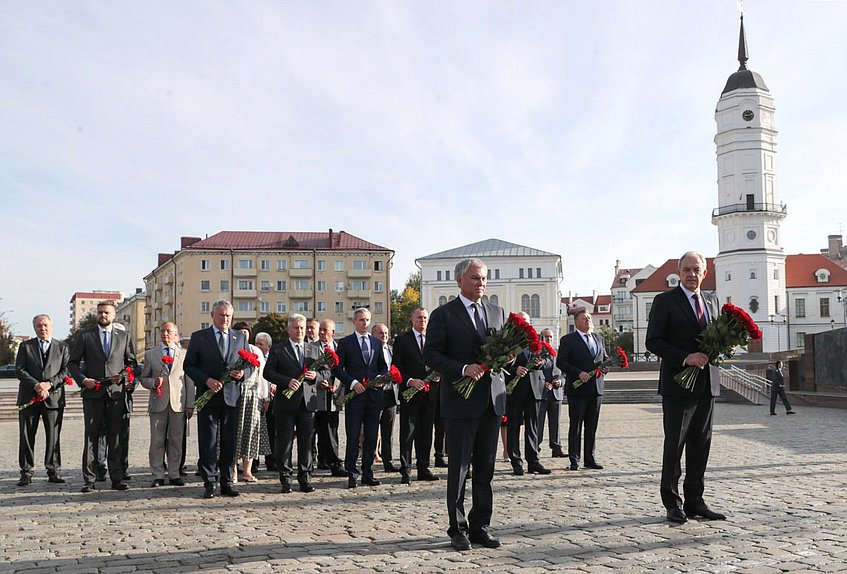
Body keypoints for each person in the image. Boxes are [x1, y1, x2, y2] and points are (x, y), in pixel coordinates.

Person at [423, 258, 507, 551]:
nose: (481, 283)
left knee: (485, 469)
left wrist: (508, 357)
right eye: (474, 278)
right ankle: (457, 528)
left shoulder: (497, 312)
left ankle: (480, 526)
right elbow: (431, 355)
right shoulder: (443, 314)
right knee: (459, 469)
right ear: (459, 280)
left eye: (484, 278)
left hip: (491, 402)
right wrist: (462, 369)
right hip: (460, 403)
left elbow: (505, 349)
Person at [646, 251, 726, 524]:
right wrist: (685, 357)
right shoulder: (664, 301)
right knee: (675, 445)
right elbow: (653, 341)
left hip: (707, 384)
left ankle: (695, 501)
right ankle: (672, 503)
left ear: (705, 273)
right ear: (679, 273)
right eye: (686, 270)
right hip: (678, 385)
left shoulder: (713, 301)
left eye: (697, 270)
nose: (692, 274)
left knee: (700, 445)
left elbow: (716, 338)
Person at [184, 299, 253, 499]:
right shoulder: (199, 337)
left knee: (229, 442)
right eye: (221, 315)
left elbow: (250, 364)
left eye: (228, 316)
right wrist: (206, 380)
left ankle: (227, 481)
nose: (225, 319)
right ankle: (209, 482)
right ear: (213, 316)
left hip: (231, 397)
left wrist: (243, 374)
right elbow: (189, 365)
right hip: (208, 397)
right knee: (209, 441)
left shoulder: (239, 337)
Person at [69, 301, 137, 492]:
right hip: (93, 394)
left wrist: (123, 377)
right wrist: (83, 380)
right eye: (100, 312)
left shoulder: (123, 336)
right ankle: (89, 480)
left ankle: (117, 478)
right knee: (92, 437)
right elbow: (72, 363)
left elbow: (131, 364)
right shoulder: (85, 335)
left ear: (114, 315)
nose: (103, 315)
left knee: (115, 437)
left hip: (115, 394)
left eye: (106, 312)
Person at [264, 314, 330, 493]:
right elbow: (268, 373)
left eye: (302, 328)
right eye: (296, 328)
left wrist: (317, 376)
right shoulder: (279, 349)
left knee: (306, 442)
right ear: (288, 329)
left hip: (308, 403)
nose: (300, 331)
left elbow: (327, 372)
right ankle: (285, 478)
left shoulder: (314, 350)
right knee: (284, 442)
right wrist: (286, 381)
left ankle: (305, 478)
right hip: (286, 403)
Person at [333, 307, 388, 488]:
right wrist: (352, 382)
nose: (364, 323)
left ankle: (368, 472)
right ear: (354, 322)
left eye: (367, 320)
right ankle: (352, 473)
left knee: (371, 435)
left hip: (373, 396)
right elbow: (337, 369)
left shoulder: (375, 342)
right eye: (361, 320)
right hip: (355, 395)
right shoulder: (346, 343)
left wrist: (381, 379)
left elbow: (382, 367)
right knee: (353, 435)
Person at [15, 314, 69, 486]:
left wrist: (49, 384)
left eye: (45, 325)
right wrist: (37, 385)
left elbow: (66, 371)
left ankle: (53, 471)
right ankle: (26, 472)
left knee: (53, 437)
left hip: (53, 399)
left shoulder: (62, 347)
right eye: (39, 326)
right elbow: (20, 370)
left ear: (51, 326)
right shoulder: (25, 346)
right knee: (26, 436)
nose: (42, 328)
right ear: (34, 328)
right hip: (29, 398)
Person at [139, 322, 193, 487]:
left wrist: (190, 404)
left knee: (176, 440)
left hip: (178, 403)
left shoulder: (184, 354)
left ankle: (175, 473)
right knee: (157, 440)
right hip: (158, 403)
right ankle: (158, 474)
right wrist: (153, 383)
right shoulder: (151, 354)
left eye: (169, 331)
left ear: (176, 334)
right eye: (162, 331)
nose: (165, 334)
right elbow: (143, 378)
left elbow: (189, 381)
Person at [393, 307, 439, 484]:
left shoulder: (434, 340)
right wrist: (409, 381)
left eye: (425, 318)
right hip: (410, 394)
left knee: (426, 433)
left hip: (429, 394)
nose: (423, 321)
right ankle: (406, 470)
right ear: (412, 319)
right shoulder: (403, 340)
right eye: (419, 317)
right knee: (408, 432)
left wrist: (438, 375)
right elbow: (396, 368)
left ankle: (423, 468)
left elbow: (439, 362)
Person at [557, 309, 606, 471]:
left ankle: (590, 459)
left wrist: (605, 368)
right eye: (584, 318)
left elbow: (603, 359)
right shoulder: (568, 339)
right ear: (576, 322)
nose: (588, 320)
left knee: (591, 426)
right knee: (576, 425)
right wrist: (578, 373)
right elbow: (561, 362)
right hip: (578, 389)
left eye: (589, 318)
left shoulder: (598, 338)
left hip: (596, 388)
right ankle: (574, 460)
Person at [503, 311, 551, 476]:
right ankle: (516, 462)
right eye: (522, 320)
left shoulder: (536, 339)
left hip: (534, 389)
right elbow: (500, 363)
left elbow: (545, 361)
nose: (525, 323)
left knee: (533, 427)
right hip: (515, 390)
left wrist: (540, 362)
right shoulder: (508, 339)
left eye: (527, 321)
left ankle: (533, 461)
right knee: (514, 426)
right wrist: (514, 368)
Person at [231, 322, 270, 483]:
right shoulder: (232, 348)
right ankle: (232, 469)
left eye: (246, 332)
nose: (244, 334)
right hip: (236, 394)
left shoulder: (256, 351)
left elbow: (263, 376)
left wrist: (265, 397)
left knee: (251, 432)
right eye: (241, 332)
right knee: (234, 433)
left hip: (254, 395)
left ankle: (247, 471)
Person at [314, 319, 347, 477]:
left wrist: (337, 387)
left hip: (334, 395)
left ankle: (333, 462)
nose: (321, 332)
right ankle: (313, 461)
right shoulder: (311, 348)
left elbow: (344, 370)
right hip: (314, 396)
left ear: (333, 332)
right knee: (314, 430)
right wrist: (317, 381)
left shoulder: (340, 348)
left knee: (331, 430)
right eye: (320, 329)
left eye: (325, 330)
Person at [373, 322, 400, 472]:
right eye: (380, 333)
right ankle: (369, 459)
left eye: (386, 333)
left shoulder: (391, 350)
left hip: (391, 394)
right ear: (373, 335)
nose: (384, 336)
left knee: (388, 431)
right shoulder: (370, 350)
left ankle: (388, 461)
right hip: (376, 394)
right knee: (372, 430)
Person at [536, 329, 565, 458]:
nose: (549, 339)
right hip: (542, 392)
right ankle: (535, 446)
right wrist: (543, 383)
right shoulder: (537, 353)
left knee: (556, 422)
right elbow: (535, 372)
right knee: (539, 422)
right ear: (541, 337)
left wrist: (561, 381)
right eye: (546, 337)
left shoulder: (558, 353)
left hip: (556, 393)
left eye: (551, 337)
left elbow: (564, 373)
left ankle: (556, 447)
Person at [255, 332, 276, 471]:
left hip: (273, 398)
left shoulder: (274, 357)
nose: (258, 346)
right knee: (255, 430)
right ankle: (254, 461)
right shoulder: (252, 358)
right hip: (256, 397)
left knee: (271, 430)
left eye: (261, 344)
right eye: (256, 343)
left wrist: (276, 384)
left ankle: (271, 460)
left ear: (268, 346)